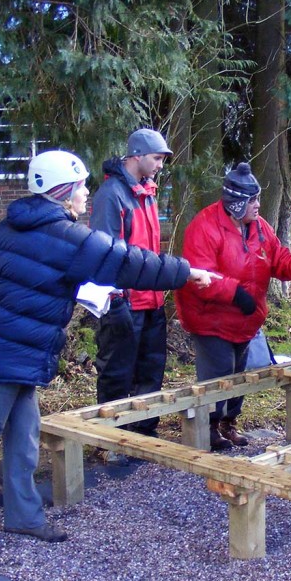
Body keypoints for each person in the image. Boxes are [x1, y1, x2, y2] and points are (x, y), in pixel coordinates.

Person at [0, 151, 215, 542]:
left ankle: (23, 514)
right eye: (80, 189)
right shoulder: (67, 238)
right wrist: (188, 271)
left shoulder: (7, 230)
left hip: (14, 350)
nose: (85, 196)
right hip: (6, 353)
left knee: (24, 435)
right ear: (63, 192)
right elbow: (130, 262)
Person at [176, 163, 291, 450]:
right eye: (252, 200)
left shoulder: (260, 228)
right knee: (219, 372)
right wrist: (236, 294)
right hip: (210, 319)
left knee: (241, 372)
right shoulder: (204, 227)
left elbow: (278, 259)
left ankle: (228, 423)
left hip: (245, 319)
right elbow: (199, 276)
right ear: (236, 202)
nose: (258, 205)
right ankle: (209, 427)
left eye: (258, 198)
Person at [89, 128, 174, 437]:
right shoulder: (111, 196)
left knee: (151, 369)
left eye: (163, 159)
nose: (161, 165)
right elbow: (105, 252)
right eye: (156, 158)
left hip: (151, 300)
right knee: (116, 373)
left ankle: (143, 433)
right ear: (136, 155)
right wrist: (116, 300)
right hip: (125, 302)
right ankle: (110, 439)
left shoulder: (146, 192)